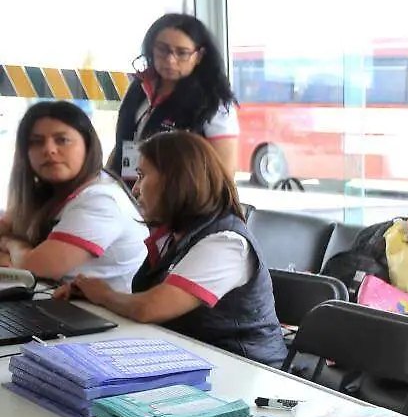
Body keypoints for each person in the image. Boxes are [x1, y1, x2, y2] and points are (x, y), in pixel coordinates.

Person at [60, 132, 286, 367]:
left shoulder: (226, 243)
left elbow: (150, 308)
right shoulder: (174, 236)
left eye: (142, 176)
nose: (135, 189)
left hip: (244, 372)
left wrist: (103, 294)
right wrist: (92, 294)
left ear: (177, 180)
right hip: (194, 360)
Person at [0, 101, 145, 290]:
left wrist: (11, 243)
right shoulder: (50, 191)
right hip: (53, 305)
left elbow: (34, 268)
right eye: (37, 142)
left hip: (99, 314)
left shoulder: (102, 200)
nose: (49, 150)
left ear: (87, 144)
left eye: (62, 140)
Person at [107, 13, 240, 183]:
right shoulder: (139, 87)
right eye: (163, 50)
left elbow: (224, 174)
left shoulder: (214, 103)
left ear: (199, 56)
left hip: (175, 202)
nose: (170, 60)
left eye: (182, 53)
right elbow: (122, 145)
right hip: (126, 195)